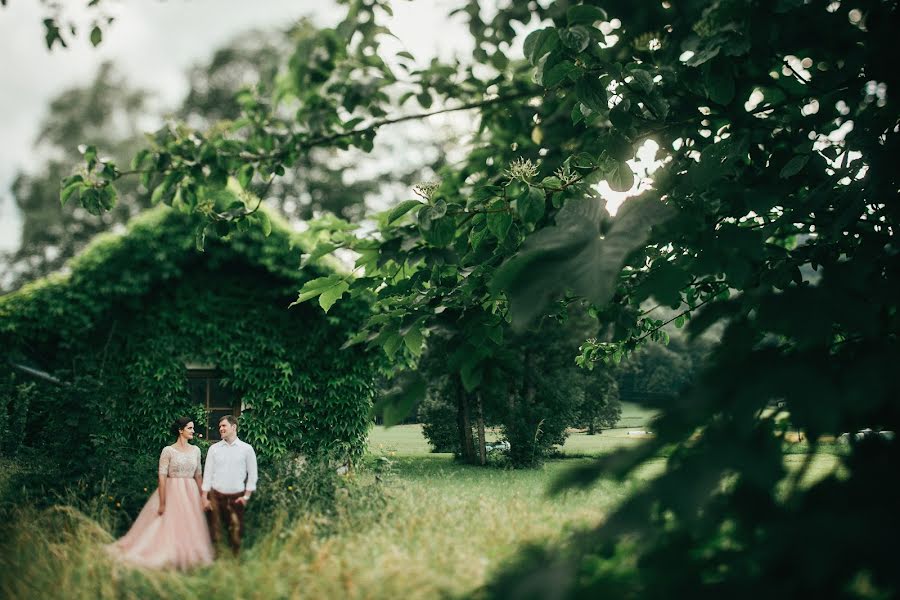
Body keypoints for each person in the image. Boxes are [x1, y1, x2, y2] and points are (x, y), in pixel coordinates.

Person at [106, 417, 214, 570]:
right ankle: (167, 552)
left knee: (189, 525)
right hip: (172, 490)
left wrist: (203, 496)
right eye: (190, 428)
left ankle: (186, 555)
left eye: (192, 428)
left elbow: (198, 475)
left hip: (190, 493)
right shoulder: (168, 450)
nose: (193, 431)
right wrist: (163, 502)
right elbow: (162, 476)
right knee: (168, 524)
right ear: (180, 430)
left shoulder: (196, 450)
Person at [202, 415, 258, 556]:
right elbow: (207, 474)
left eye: (224, 426)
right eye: (219, 426)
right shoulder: (214, 449)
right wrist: (204, 498)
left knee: (236, 530)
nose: (220, 429)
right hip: (215, 495)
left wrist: (246, 497)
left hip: (236, 497)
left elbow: (252, 475)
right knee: (214, 530)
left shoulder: (246, 449)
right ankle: (216, 559)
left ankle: (235, 560)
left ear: (234, 427)